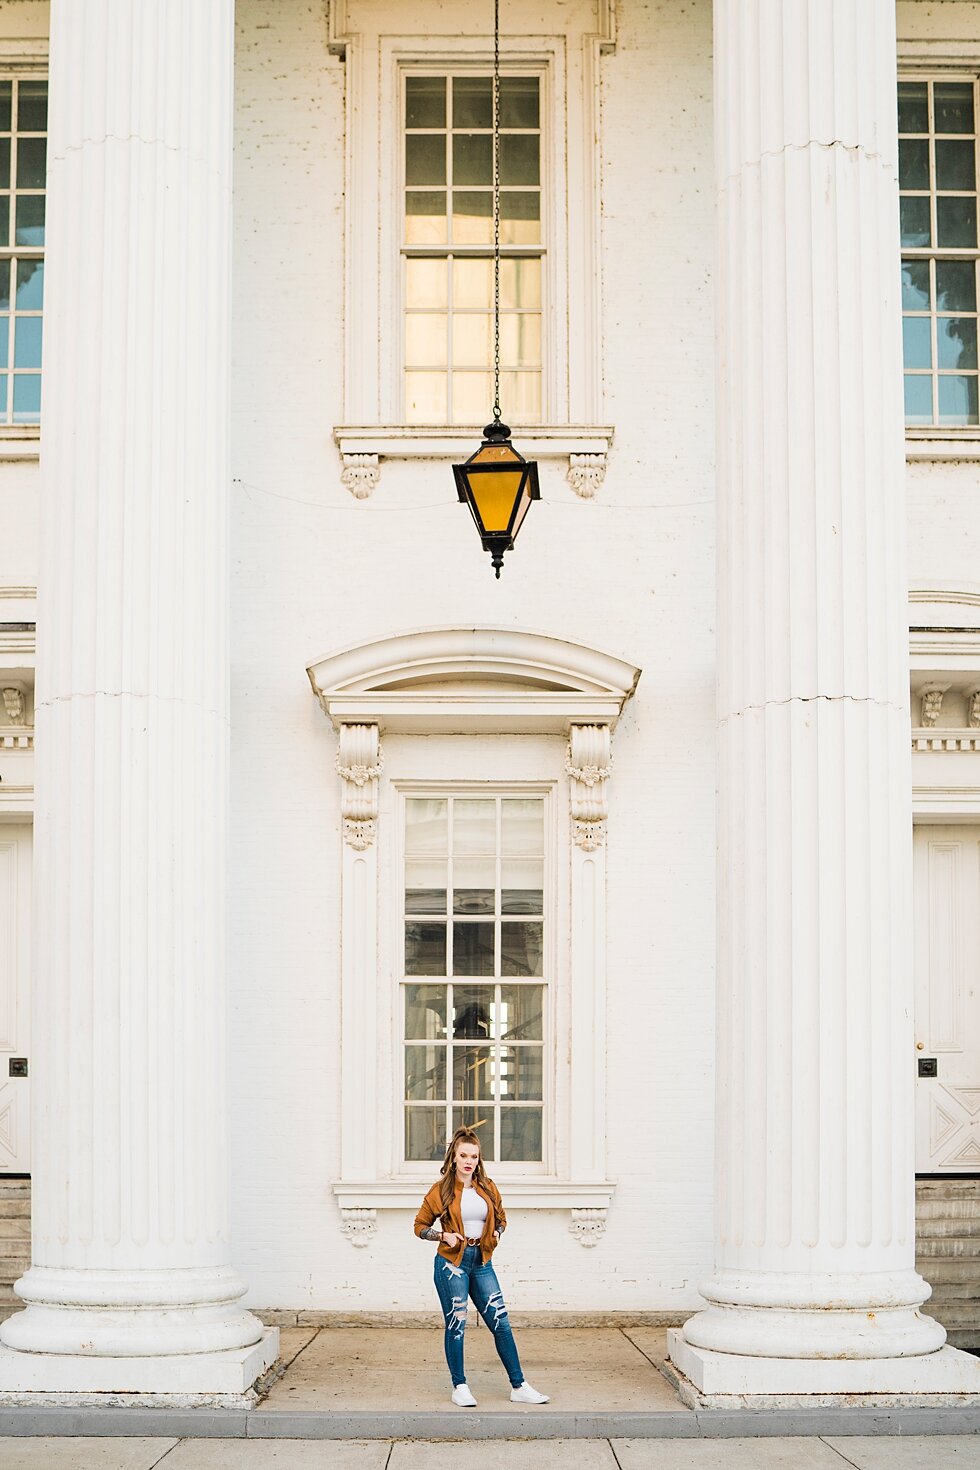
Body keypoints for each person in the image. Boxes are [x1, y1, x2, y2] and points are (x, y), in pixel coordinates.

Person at [414, 1126, 549, 1408]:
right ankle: (460, 1386)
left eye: (474, 1156)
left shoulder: (487, 1186)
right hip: (452, 1264)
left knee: (501, 1324)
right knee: (456, 1325)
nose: (469, 1161)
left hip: (482, 1262)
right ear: (453, 1157)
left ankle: (519, 1386)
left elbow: (501, 1217)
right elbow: (420, 1226)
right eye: (463, 1155)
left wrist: (497, 1232)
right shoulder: (441, 1191)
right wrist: (443, 1235)